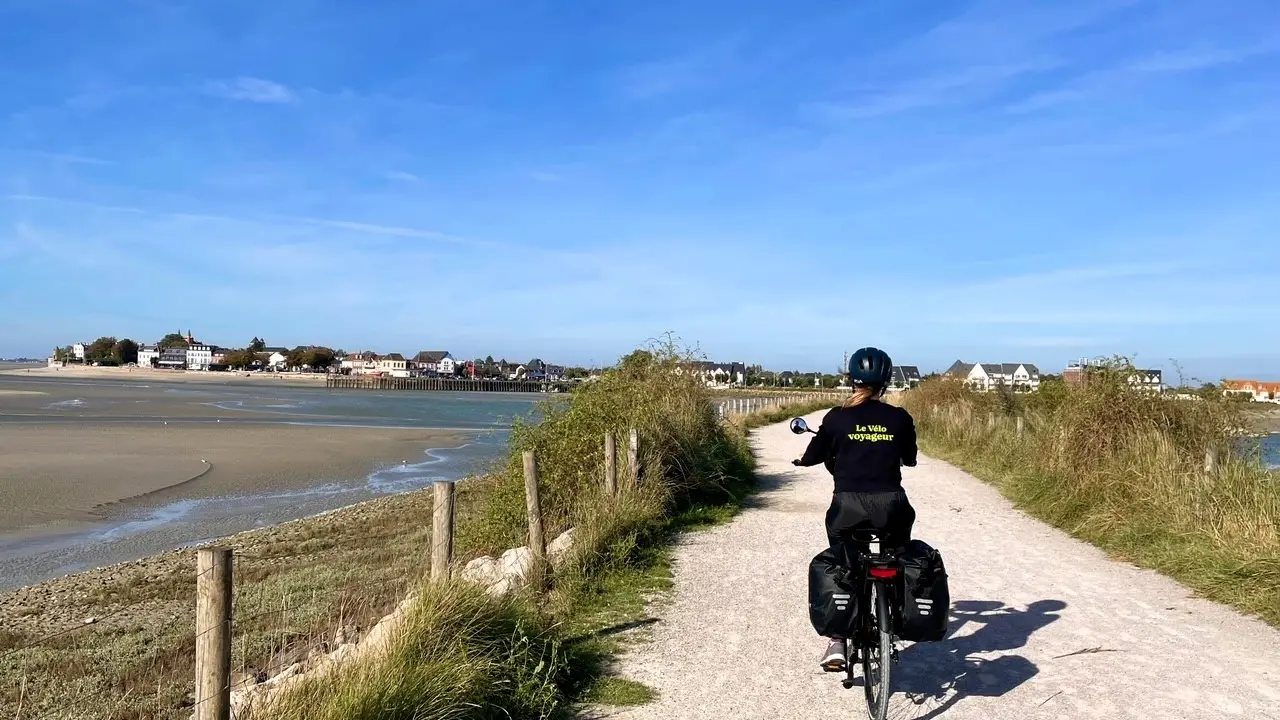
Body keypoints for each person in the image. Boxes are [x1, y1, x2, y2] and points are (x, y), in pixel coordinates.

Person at [792, 346, 918, 671]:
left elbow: (816, 452)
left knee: (842, 559)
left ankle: (837, 640)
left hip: (848, 506)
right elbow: (910, 458)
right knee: (898, 551)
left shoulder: (836, 418)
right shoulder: (900, 418)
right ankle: (897, 610)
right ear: (886, 382)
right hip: (892, 506)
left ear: (851, 380)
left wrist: (803, 461)